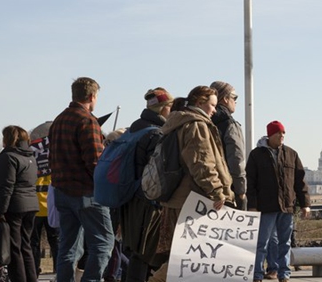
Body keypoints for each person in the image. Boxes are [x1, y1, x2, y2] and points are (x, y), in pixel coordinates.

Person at [148, 85, 234, 282]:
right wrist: (217, 192)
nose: (214, 110)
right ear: (199, 102)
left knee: (188, 254)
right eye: (212, 105)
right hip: (193, 199)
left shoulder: (177, 123)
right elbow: (202, 164)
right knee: (193, 255)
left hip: (179, 199)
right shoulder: (196, 125)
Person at [49, 77, 114, 282]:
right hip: (86, 192)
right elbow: (95, 161)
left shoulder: (58, 120)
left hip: (62, 191)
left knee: (68, 247)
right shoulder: (87, 120)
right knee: (104, 242)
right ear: (92, 96)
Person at [119, 88, 173, 282]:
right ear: (163, 108)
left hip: (130, 198)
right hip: (147, 202)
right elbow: (156, 173)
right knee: (144, 253)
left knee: (136, 251)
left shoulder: (135, 128)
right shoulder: (156, 133)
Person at [247, 121, 311, 282]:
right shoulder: (256, 155)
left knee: (285, 243)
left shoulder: (291, 154)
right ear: (270, 135)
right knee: (262, 242)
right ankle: (257, 274)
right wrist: (252, 205)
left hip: (287, 206)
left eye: (283, 133)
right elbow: (251, 182)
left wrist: (305, 204)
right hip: (265, 206)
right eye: (278, 133)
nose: (282, 136)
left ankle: (284, 274)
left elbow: (300, 181)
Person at [0, 125, 40, 282]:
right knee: (26, 247)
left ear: (8, 139)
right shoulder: (30, 157)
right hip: (31, 205)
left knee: (14, 249)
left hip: (14, 206)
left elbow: (6, 186)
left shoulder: (8, 157)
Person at [210, 81, 247, 209]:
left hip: (206, 187)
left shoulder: (203, 122)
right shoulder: (230, 124)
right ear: (225, 99)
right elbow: (236, 160)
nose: (236, 101)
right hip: (228, 190)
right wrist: (241, 190)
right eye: (234, 97)